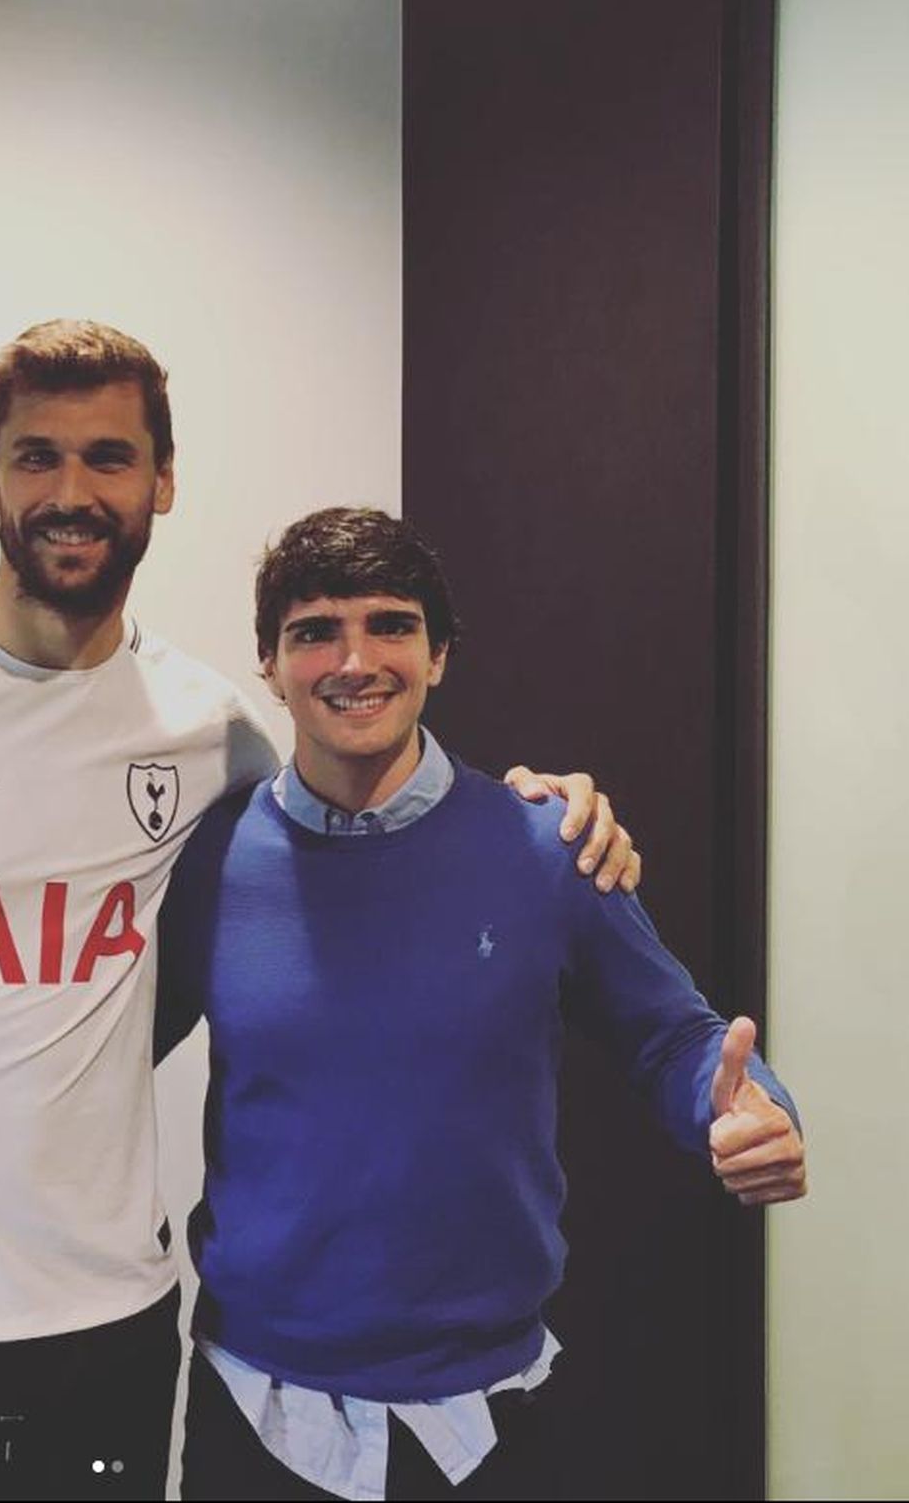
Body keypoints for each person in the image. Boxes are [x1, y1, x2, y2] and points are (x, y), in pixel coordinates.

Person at [0, 323, 637, 1501]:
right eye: (36, 457)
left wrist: (543, 818)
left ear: (161, 480)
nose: (70, 491)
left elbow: (374, 841)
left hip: (98, 1331)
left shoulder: (211, 734)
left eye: (107, 457)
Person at [142, 506, 806, 1501]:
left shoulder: (545, 848)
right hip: (255, 1408)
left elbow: (676, 1035)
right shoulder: (208, 860)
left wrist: (744, 1102)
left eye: (390, 624)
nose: (352, 659)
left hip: (485, 1416)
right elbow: (91, 1044)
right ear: (270, 666)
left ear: (439, 654)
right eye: (314, 630)